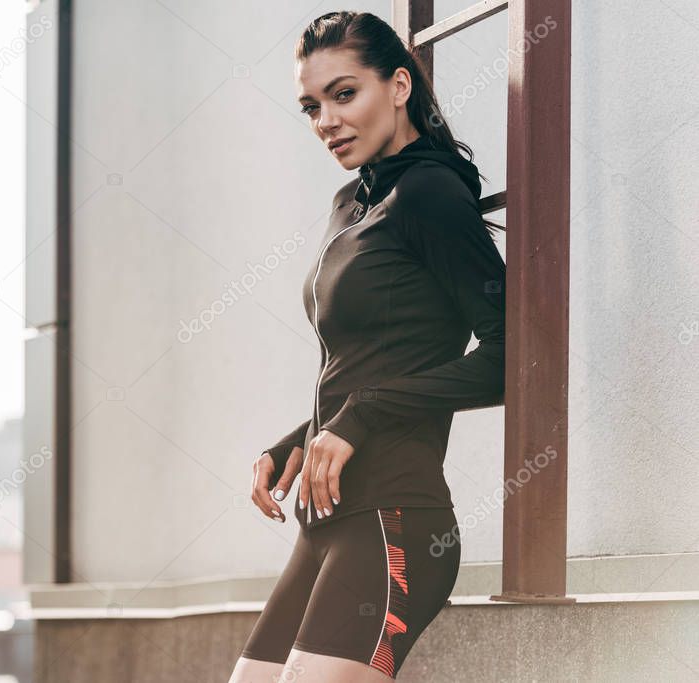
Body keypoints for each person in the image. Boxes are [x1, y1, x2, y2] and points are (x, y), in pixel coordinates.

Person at [230, 11, 507, 683]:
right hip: (325, 522)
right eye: (310, 104)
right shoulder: (348, 204)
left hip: (395, 517)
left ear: (400, 86)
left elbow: (509, 358)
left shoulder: (429, 194)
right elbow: (372, 360)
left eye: (344, 93)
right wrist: (303, 435)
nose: (325, 118)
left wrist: (360, 417)